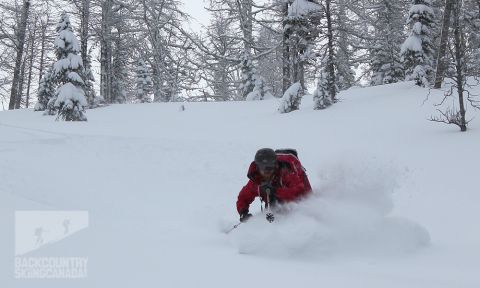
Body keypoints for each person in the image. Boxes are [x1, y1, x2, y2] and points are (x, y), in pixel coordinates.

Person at [236, 148, 312, 222]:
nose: (267, 171)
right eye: (263, 167)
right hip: (275, 197)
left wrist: (275, 191)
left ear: (275, 165)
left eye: (269, 167)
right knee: (272, 208)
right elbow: (243, 197)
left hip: (296, 183)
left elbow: (299, 191)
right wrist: (243, 212)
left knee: (307, 199)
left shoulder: (286, 172)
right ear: (258, 167)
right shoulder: (256, 180)